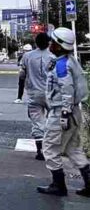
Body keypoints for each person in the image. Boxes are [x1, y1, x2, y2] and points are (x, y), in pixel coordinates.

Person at [37, 27, 90, 197]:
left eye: (53, 42)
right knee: (74, 148)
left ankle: (58, 185)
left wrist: (64, 114)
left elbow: (67, 89)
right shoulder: (70, 60)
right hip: (73, 111)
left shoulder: (62, 64)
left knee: (50, 148)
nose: (50, 44)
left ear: (59, 45)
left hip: (62, 112)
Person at [15, 37, 51, 160]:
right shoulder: (54, 56)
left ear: (36, 43)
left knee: (37, 122)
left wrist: (25, 85)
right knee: (55, 120)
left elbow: (22, 74)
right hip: (52, 94)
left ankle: (40, 150)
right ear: (49, 43)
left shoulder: (27, 56)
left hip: (34, 93)